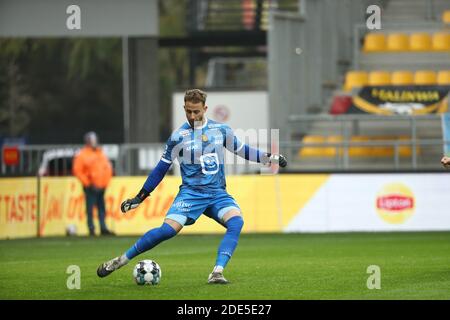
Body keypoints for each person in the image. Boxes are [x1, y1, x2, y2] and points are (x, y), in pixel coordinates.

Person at [96, 89, 287, 283]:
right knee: (167, 231)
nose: (192, 116)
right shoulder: (178, 137)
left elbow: (243, 151)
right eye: (188, 111)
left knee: (236, 222)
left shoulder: (221, 130)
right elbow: (161, 168)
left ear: (205, 109)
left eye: (196, 111)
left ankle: (217, 272)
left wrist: (269, 158)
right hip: (191, 194)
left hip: (217, 193)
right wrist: (140, 197)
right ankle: (120, 260)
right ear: (184, 109)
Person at [73, 131, 115, 236]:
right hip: (91, 186)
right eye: (92, 140)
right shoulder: (82, 154)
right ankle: (91, 228)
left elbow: (107, 168)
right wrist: (87, 183)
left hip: (101, 186)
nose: (94, 142)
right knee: (90, 208)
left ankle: (103, 227)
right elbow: (77, 170)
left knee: (101, 208)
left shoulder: (100, 153)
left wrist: (106, 182)